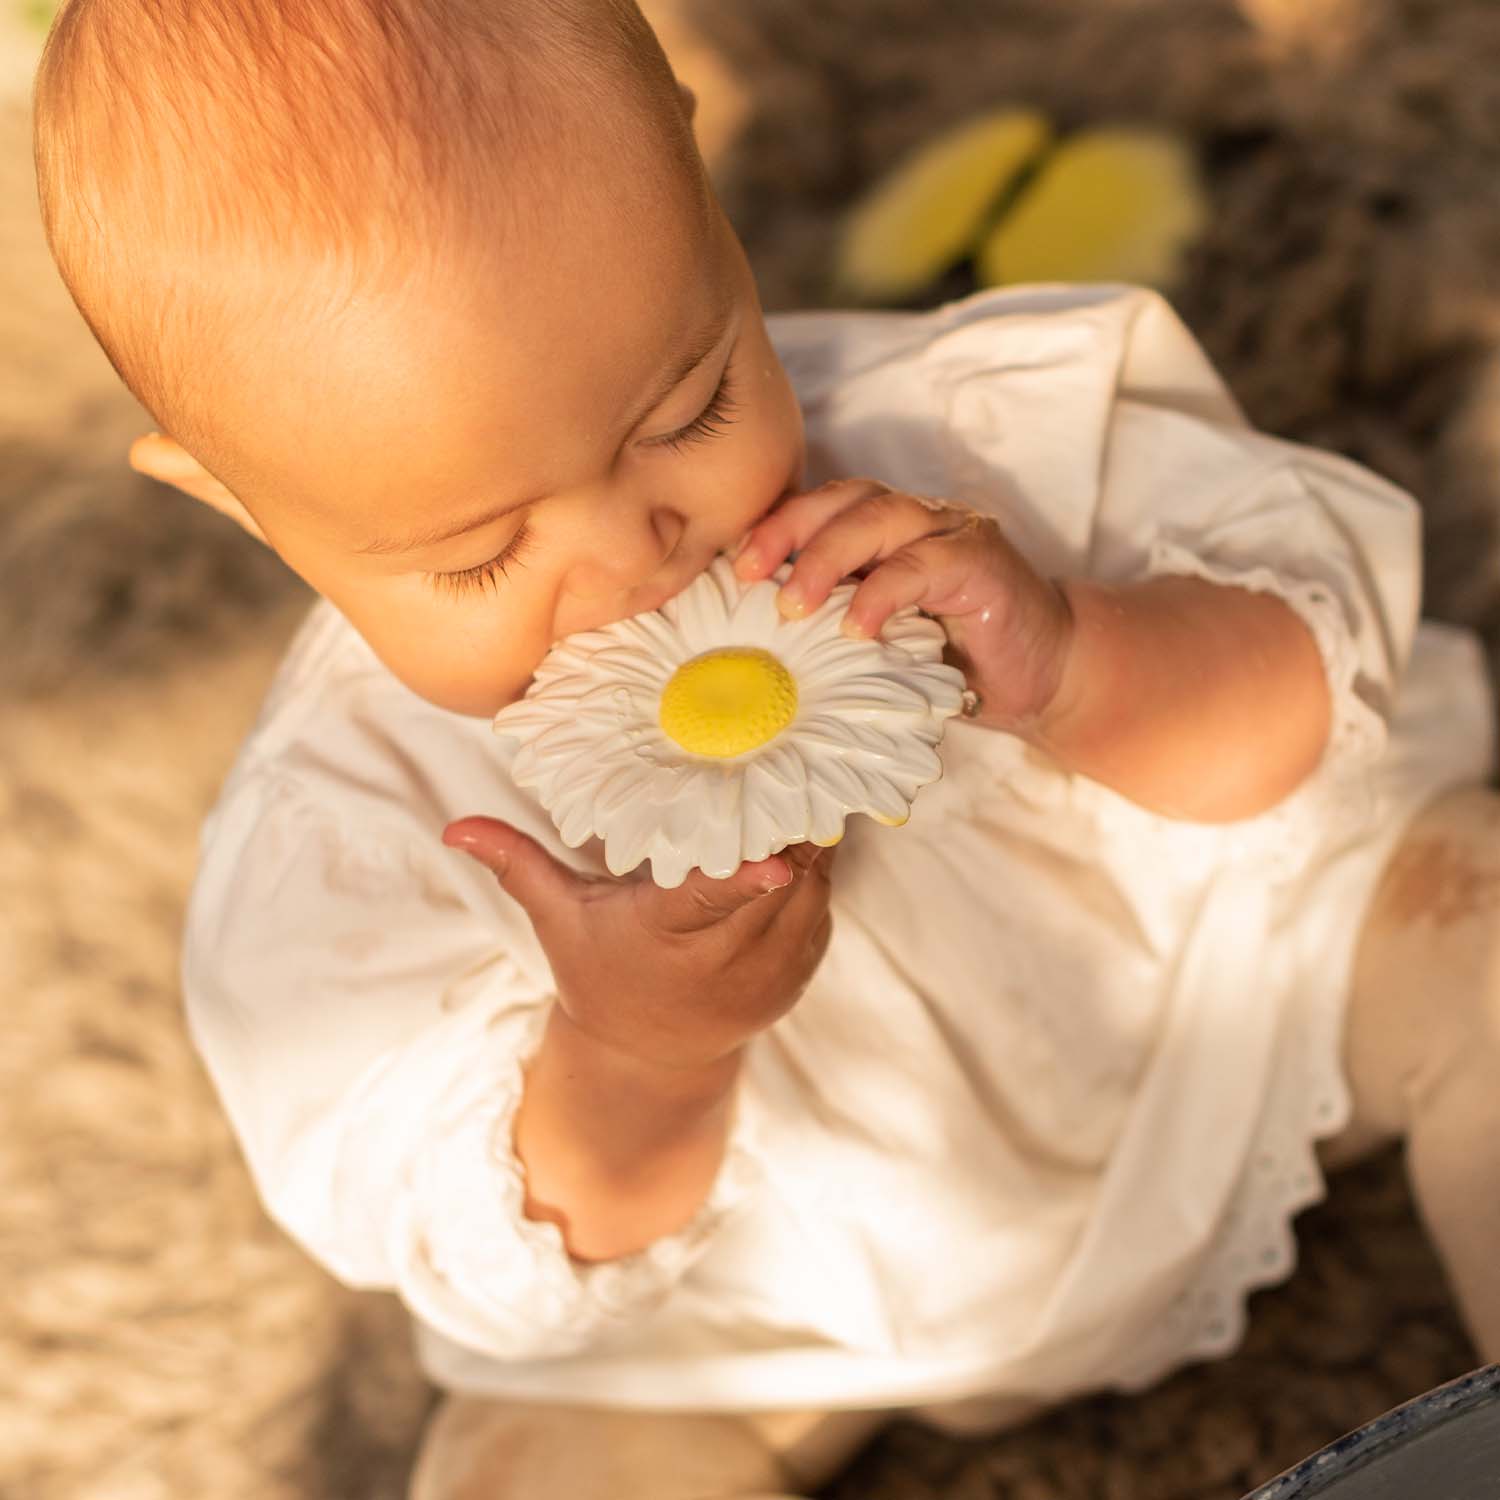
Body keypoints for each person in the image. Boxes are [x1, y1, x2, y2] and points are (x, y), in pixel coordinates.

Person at [31, 1, 1500, 1496]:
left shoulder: (975, 442)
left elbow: (1310, 697)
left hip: (1234, 1012)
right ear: (243, 504)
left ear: (694, 167)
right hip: (785, 1314)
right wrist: (635, 1055)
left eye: (693, 405)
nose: (638, 554)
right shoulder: (345, 850)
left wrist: (1074, 656)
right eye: (479, 558)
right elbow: (519, 1260)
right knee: (520, 1467)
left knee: (1479, 920)